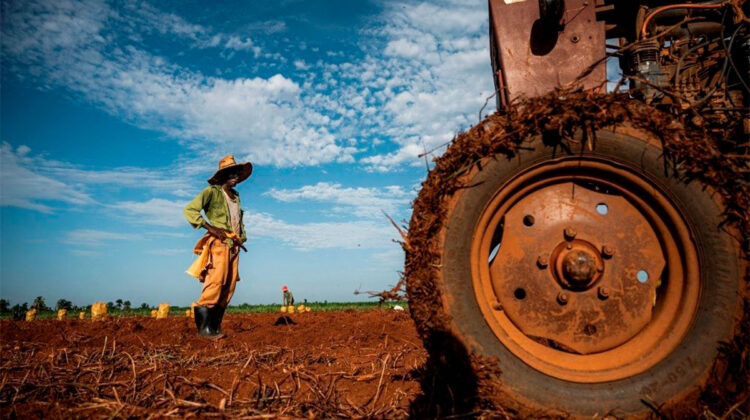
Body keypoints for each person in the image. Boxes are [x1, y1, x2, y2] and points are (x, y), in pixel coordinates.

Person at [184, 154, 252, 338]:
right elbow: (190, 210)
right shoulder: (212, 192)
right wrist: (211, 228)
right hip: (219, 245)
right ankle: (204, 329)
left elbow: (238, 221)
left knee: (228, 286)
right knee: (216, 281)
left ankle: (215, 327)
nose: (236, 175)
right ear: (222, 175)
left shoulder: (236, 197)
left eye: (237, 172)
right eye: (232, 172)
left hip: (233, 246)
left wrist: (241, 238)